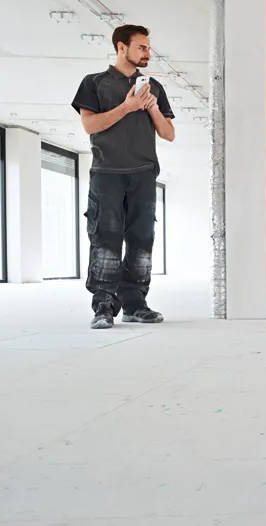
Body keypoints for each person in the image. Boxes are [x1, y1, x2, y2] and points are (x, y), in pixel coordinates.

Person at [71, 25, 176, 329]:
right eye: (142, 47)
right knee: (105, 241)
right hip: (107, 174)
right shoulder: (94, 83)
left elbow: (168, 133)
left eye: (148, 47)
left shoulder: (152, 86)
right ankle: (103, 306)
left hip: (144, 174)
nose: (148, 52)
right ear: (121, 47)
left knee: (142, 241)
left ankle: (135, 305)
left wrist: (152, 107)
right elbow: (90, 126)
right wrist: (128, 107)